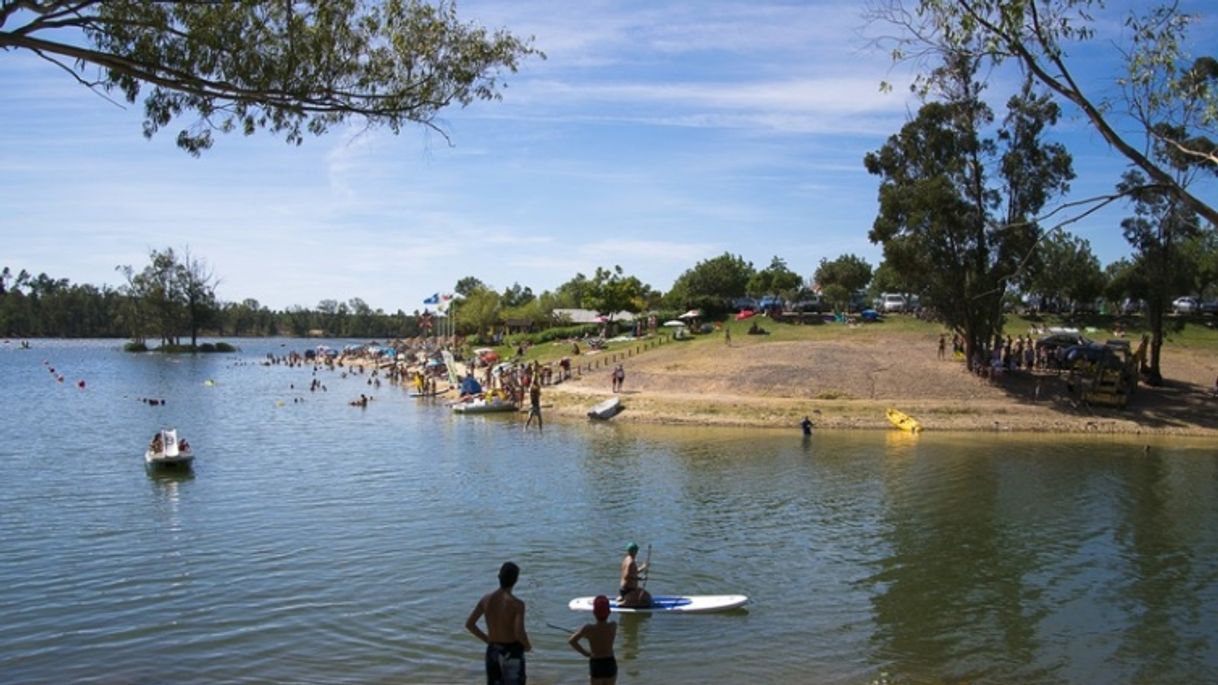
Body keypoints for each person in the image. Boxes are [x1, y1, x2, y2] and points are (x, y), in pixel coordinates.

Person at [466, 561, 532, 685]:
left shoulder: (486, 599)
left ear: (499, 577)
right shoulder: (517, 604)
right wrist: (527, 645)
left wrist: (488, 640)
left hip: (493, 650)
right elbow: (519, 632)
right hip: (512, 651)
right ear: (516, 580)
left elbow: (470, 624)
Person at [568, 595, 617, 684]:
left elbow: (572, 641)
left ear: (594, 612)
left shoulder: (588, 628)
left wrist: (586, 653)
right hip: (610, 662)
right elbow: (603, 635)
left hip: (596, 663)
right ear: (609, 612)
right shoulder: (613, 625)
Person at [616, 542, 650, 608]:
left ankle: (624, 597)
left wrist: (643, 567)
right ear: (635, 551)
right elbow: (627, 576)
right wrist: (640, 578)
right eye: (637, 550)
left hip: (625, 589)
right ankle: (625, 602)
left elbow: (633, 572)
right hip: (629, 590)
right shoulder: (631, 562)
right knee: (647, 601)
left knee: (647, 596)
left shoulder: (626, 559)